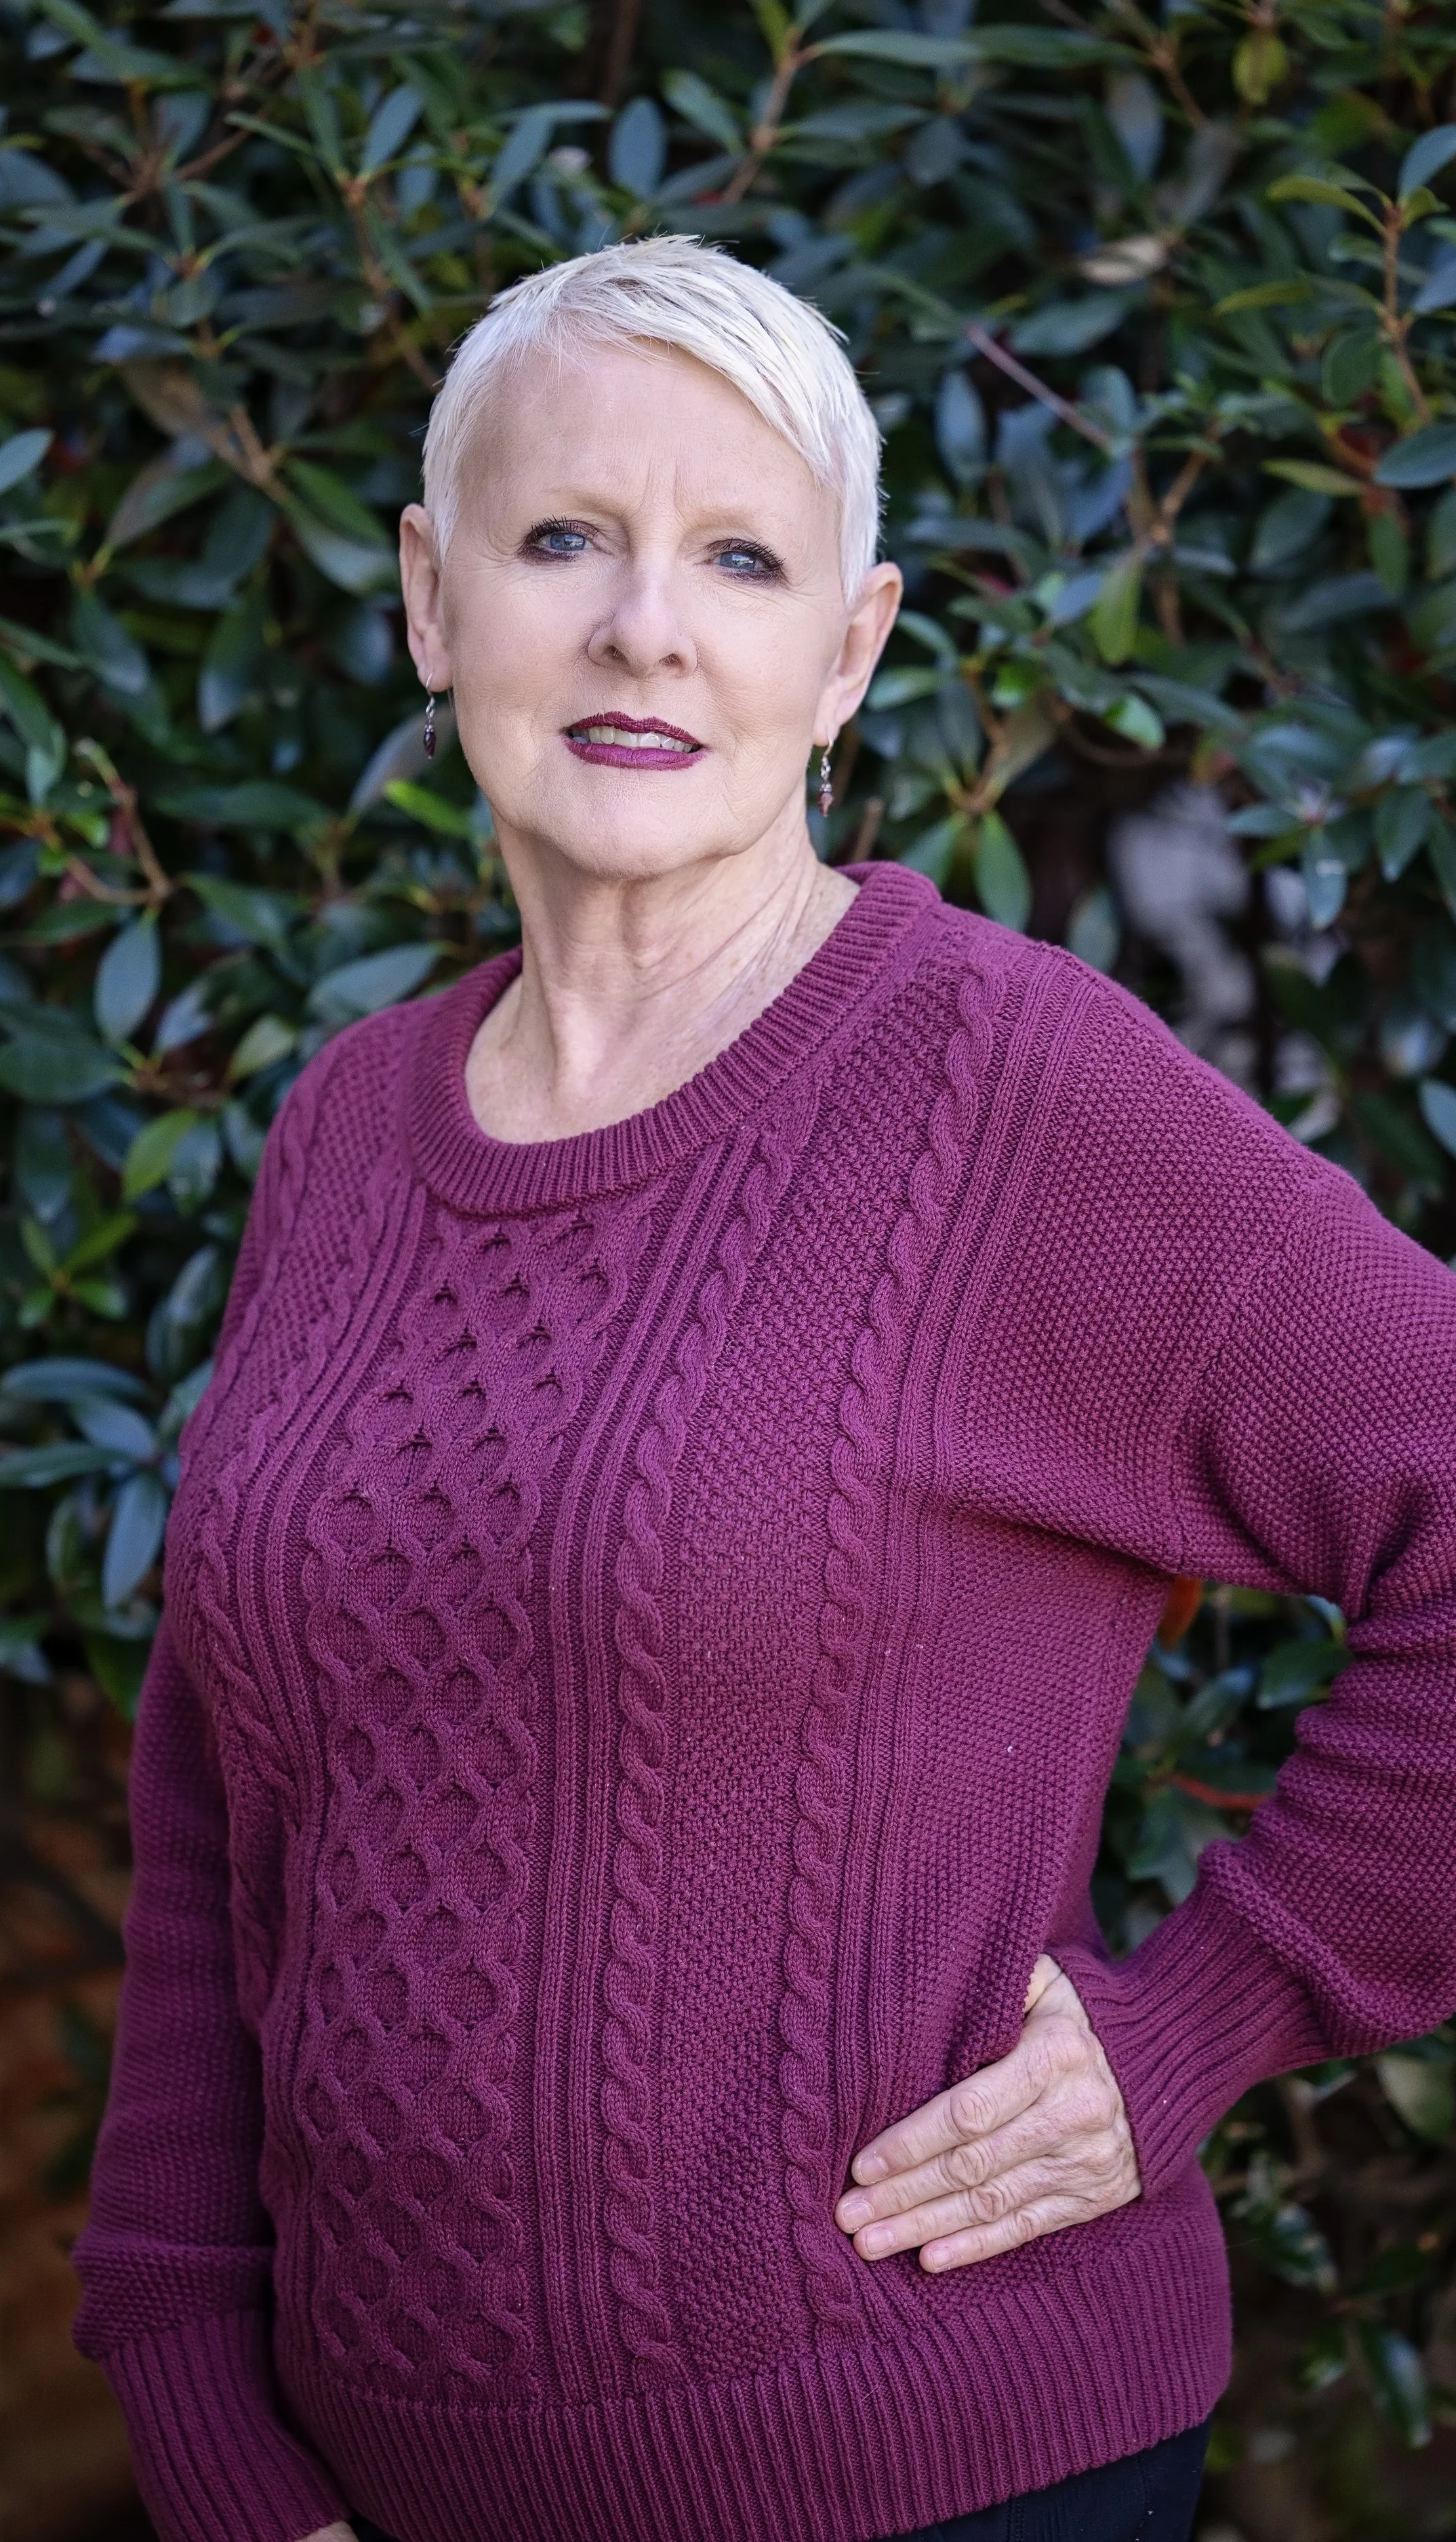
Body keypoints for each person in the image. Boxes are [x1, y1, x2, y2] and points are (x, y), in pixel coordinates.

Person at [72, 238, 1456, 2542]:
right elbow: (222, 1819)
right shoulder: (342, 1127)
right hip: (374, 2487)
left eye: (736, 556)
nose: (641, 629)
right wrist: (207, 2416)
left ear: (848, 650)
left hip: (934, 2470)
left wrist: (1214, 2006)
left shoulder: (1001, 1088)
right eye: (558, 542)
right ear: (430, 603)